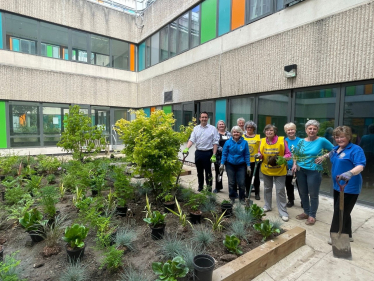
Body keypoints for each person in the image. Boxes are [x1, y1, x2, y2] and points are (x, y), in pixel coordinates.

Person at [292, 120, 334, 225]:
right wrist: (294, 164)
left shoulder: (322, 140)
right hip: (300, 170)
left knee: (313, 194)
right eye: (310, 128)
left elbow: (335, 150)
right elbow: (296, 154)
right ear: (306, 130)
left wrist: (324, 156)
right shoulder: (301, 141)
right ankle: (306, 212)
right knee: (303, 192)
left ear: (317, 130)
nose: (312, 130)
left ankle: (312, 215)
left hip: (314, 171)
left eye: (314, 129)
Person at [328, 126, 366, 244]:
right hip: (338, 185)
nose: (339, 139)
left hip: (349, 186)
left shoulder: (356, 149)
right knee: (344, 211)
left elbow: (361, 165)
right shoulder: (336, 149)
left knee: (339, 211)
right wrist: (322, 157)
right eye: (337, 137)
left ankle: (334, 235)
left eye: (342, 137)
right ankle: (347, 234)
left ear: (349, 137)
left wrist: (351, 172)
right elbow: (330, 155)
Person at [257, 124, 291, 222]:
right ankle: (267, 206)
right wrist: (258, 155)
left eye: (271, 130)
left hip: (280, 170)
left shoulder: (282, 140)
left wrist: (281, 158)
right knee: (267, 188)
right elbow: (260, 153)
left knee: (280, 190)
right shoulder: (262, 141)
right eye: (267, 130)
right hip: (266, 169)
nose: (269, 132)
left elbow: (288, 154)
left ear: (274, 131)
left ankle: (283, 212)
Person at [183, 112, 219, 192]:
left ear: (208, 118)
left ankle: (209, 188)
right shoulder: (196, 128)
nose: (204, 119)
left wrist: (214, 154)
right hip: (198, 152)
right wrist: (187, 148)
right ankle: (200, 186)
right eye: (202, 117)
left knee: (208, 172)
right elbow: (192, 139)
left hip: (208, 153)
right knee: (199, 171)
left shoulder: (212, 128)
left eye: (205, 117)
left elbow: (215, 142)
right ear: (199, 118)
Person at [220, 126, 251, 204]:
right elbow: (224, 154)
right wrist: (222, 164)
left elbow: (247, 154)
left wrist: (248, 165)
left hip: (241, 165)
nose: (236, 133)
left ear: (240, 133)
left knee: (241, 182)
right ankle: (232, 197)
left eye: (237, 132)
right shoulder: (228, 142)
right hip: (230, 164)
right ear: (232, 133)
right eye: (234, 132)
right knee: (231, 182)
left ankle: (242, 198)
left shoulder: (244, 142)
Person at [243, 121, 261, 200]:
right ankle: (247, 191)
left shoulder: (258, 137)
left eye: (251, 127)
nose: (249, 129)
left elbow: (260, 149)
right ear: (246, 128)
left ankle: (257, 193)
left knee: (256, 177)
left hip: (255, 160)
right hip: (245, 160)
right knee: (247, 177)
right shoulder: (242, 137)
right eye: (248, 127)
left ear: (254, 129)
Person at [284, 122, 301, 208]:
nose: (291, 131)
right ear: (286, 131)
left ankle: (303, 201)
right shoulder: (284, 141)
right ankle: (291, 200)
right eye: (288, 130)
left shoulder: (300, 141)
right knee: (289, 184)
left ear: (295, 130)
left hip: (299, 167)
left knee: (301, 185)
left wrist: (296, 163)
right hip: (288, 167)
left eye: (292, 129)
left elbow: (301, 153)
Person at [213, 120, 232, 193]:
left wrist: (227, 151)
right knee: (219, 172)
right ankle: (218, 187)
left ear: (225, 125)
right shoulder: (215, 134)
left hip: (229, 156)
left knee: (230, 172)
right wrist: (224, 150)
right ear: (217, 126)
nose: (221, 125)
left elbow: (232, 143)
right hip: (218, 156)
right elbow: (215, 144)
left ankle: (231, 188)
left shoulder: (229, 134)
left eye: (222, 124)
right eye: (220, 124)